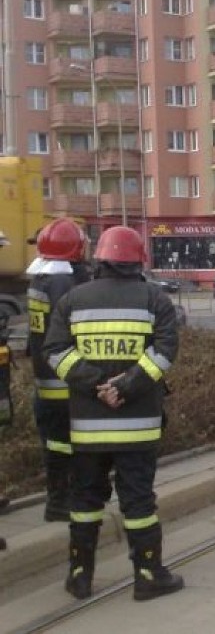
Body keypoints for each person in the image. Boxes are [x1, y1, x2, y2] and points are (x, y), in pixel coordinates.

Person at [43, 226, 183, 602]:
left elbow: (55, 352)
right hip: (138, 428)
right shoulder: (156, 301)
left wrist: (95, 385)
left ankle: (79, 576)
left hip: (88, 429)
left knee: (86, 500)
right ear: (138, 260)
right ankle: (148, 574)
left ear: (100, 258)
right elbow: (165, 352)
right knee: (138, 502)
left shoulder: (72, 301)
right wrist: (126, 386)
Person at [27, 218, 91, 522]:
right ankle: (67, 501)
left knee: (55, 444)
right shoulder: (64, 282)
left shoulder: (39, 278)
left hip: (45, 379)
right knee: (71, 445)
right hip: (66, 380)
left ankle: (57, 501)